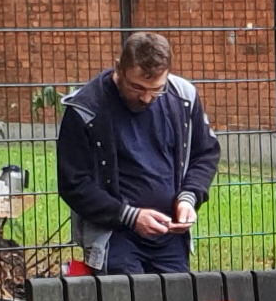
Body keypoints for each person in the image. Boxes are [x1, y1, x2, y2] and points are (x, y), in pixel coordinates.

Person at [58, 31, 219, 274]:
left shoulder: (183, 97)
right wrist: (131, 217)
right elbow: (74, 184)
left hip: (170, 235)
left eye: (156, 89)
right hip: (114, 236)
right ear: (118, 68)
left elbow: (205, 153)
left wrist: (189, 197)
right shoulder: (85, 109)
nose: (146, 97)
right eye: (136, 87)